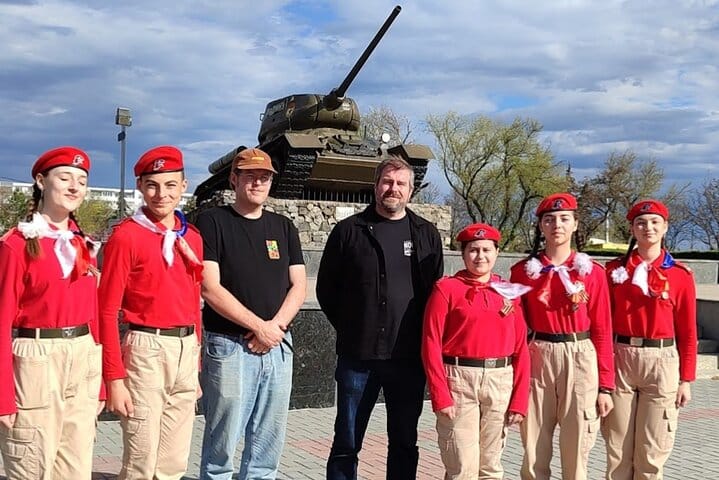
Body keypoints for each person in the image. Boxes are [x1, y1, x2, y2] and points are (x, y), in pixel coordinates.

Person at [317, 154, 444, 480]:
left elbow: (434, 293)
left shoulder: (426, 234)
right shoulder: (348, 232)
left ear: (411, 190)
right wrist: (354, 326)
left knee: (404, 443)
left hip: (407, 359)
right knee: (346, 442)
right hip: (358, 358)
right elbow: (326, 290)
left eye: (401, 183)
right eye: (387, 181)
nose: (393, 188)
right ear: (375, 186)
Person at [196, 147, 306, 480]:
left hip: (277, 346)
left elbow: (299, 285)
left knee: (267, 444)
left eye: (264, 177)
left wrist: (274, 329)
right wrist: (260, 327)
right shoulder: (212, 222)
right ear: (234, 179)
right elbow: (210, 287)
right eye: (250, 176)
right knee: (223, 443)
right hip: (230, 347)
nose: (258, 183)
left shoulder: (283, 227)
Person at [98, 145, 204, 480]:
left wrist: (195, 364)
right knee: (140, 462)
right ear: (140, 188)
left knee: (173, 462)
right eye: (153, 185)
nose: (162, 194)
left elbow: (194, 302)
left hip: (185, 348)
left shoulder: (192, 237)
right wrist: (114, 378)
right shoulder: (127, 236)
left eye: (171, 185)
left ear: (183, 186)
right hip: (146, 350)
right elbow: (106, 310)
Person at [0, 146, 104, 479]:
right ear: (41, 181)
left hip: (82, 358)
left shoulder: (84, 244)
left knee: (76, 468)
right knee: (31, 465)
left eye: (82, 181)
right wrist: (3, 395)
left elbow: (93, 315)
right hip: (36, 360)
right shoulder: (17, 244)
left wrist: (100, 382)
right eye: (65, 178)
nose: (75, 187)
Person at [509, 192, 615, 480]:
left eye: (564, 219)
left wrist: (606, 386)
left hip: (579, 354)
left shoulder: (592, 272)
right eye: (549, 219)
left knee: (577, 445)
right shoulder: (523, 272)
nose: (557, 225)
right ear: (540, 226)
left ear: (575, 224)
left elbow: (603, 329)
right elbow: (515, 327)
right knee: (534, 446)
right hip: (538, 353)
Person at [422, 223, 530, 480]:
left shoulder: (508, 291)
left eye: (486, 250)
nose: (480, 256)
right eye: (473, 250)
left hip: (499, 380)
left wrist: (519, 400)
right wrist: (440, 395)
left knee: (491, 467)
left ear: (496, 252)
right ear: (463, 254)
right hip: (459, 380)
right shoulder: (446, 289)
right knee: (462, 467)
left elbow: (521, 347)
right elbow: (430, 343)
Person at [602, 199, 697, 480]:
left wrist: (686, 379)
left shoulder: (679, 275)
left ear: (665, 227)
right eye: (641, 223)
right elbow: (603, 324)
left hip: (662, 360)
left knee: (652, 451)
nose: (648, 228)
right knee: (617, 448)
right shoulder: (614, 272)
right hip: (622, 356)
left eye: (655, 222)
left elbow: (688, 331)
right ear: (632, 229)